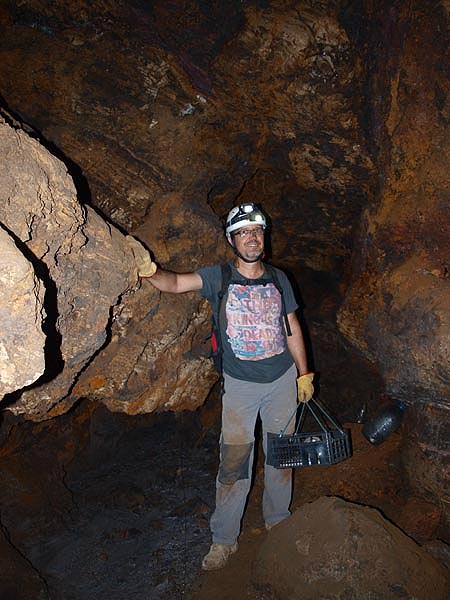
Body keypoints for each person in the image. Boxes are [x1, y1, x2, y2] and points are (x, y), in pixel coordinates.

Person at [126, 202, 314, 570]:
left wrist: (304, 373)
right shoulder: (220, 277)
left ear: (264, 236)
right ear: (232, 240)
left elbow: (291, 326)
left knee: (282, 458)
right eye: (243, 233)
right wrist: (150, 271)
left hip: (281, 382)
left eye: (256, 231)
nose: (251, 238)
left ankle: (278, 521)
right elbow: (176, 284)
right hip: (241, 388)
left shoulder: (279, 279)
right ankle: (224, 539)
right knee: (234, 464)